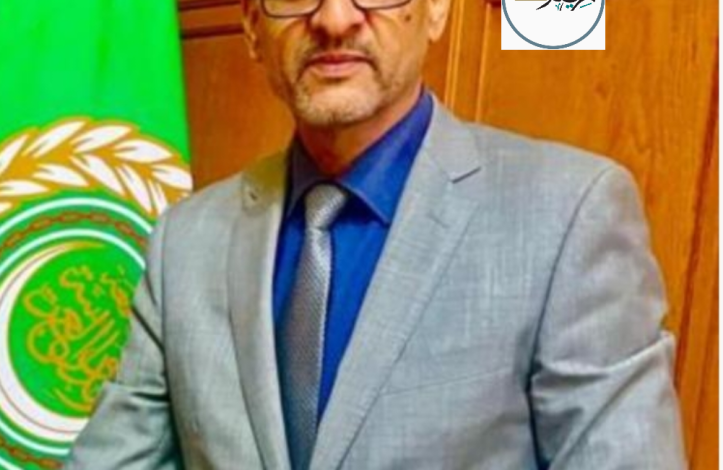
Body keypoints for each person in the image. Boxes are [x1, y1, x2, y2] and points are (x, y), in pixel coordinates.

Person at [64, 0, 687, 466]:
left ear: (436, 9)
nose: (335, 18)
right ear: (253, 27)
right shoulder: (186, 240)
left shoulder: (567, 214)